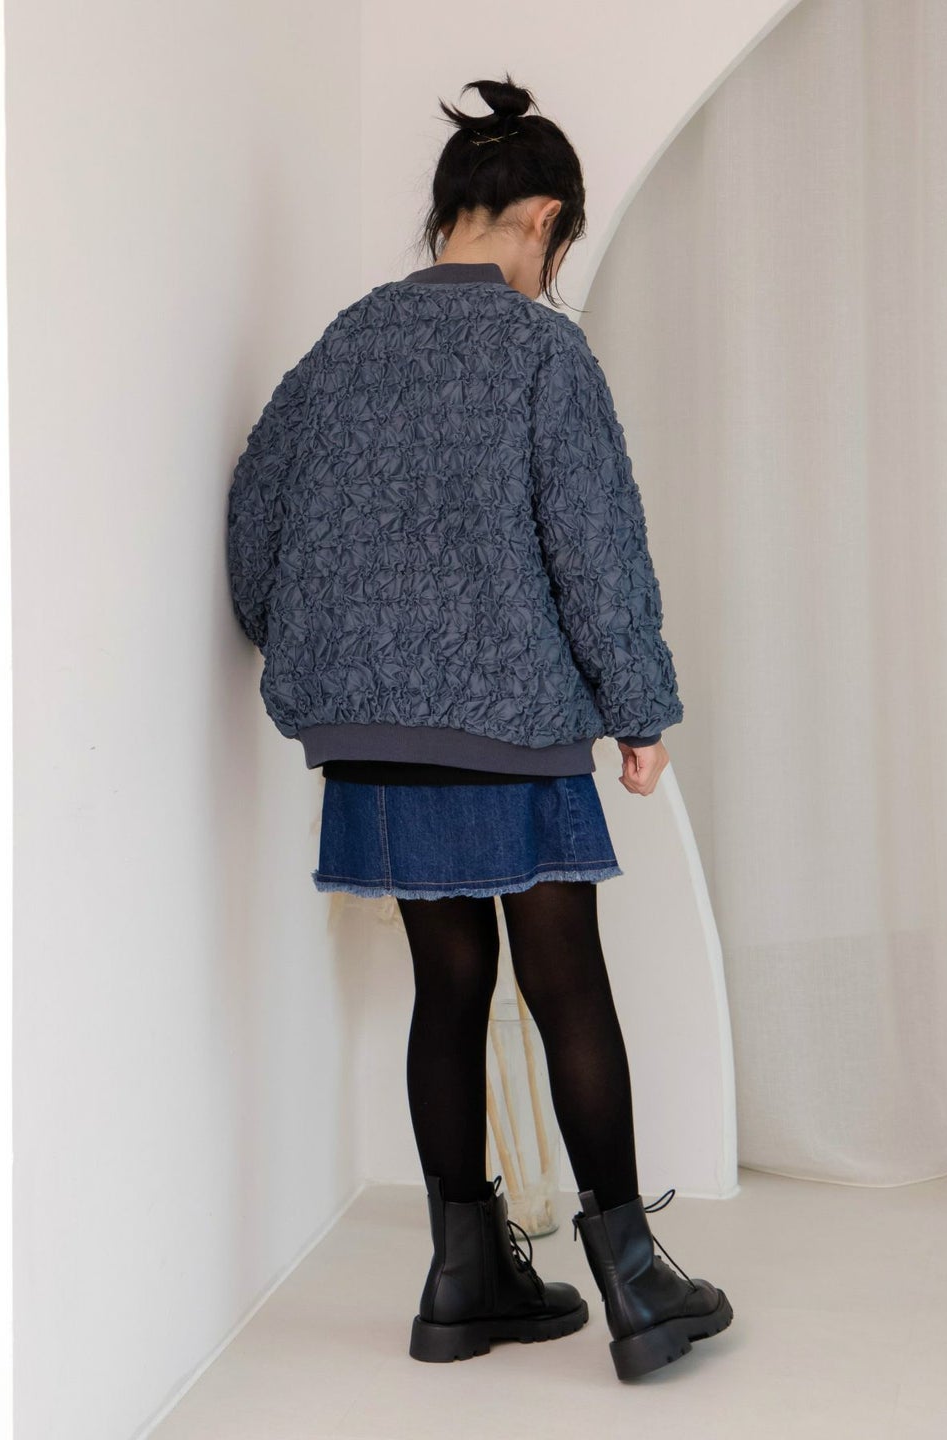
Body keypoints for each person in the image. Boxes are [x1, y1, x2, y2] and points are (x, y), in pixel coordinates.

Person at [226, 72, 733, 1382]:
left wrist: (324, 648)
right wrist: (638, 707)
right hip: (508, 723)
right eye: (557, 249)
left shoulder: (345, 345)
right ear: (543, 220)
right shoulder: (542, 352)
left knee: (447, 988)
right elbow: (595, 548)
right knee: (567, 982)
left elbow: (253, 520)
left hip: (371, 733)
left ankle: (464, 1277)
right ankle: (635, 1282)